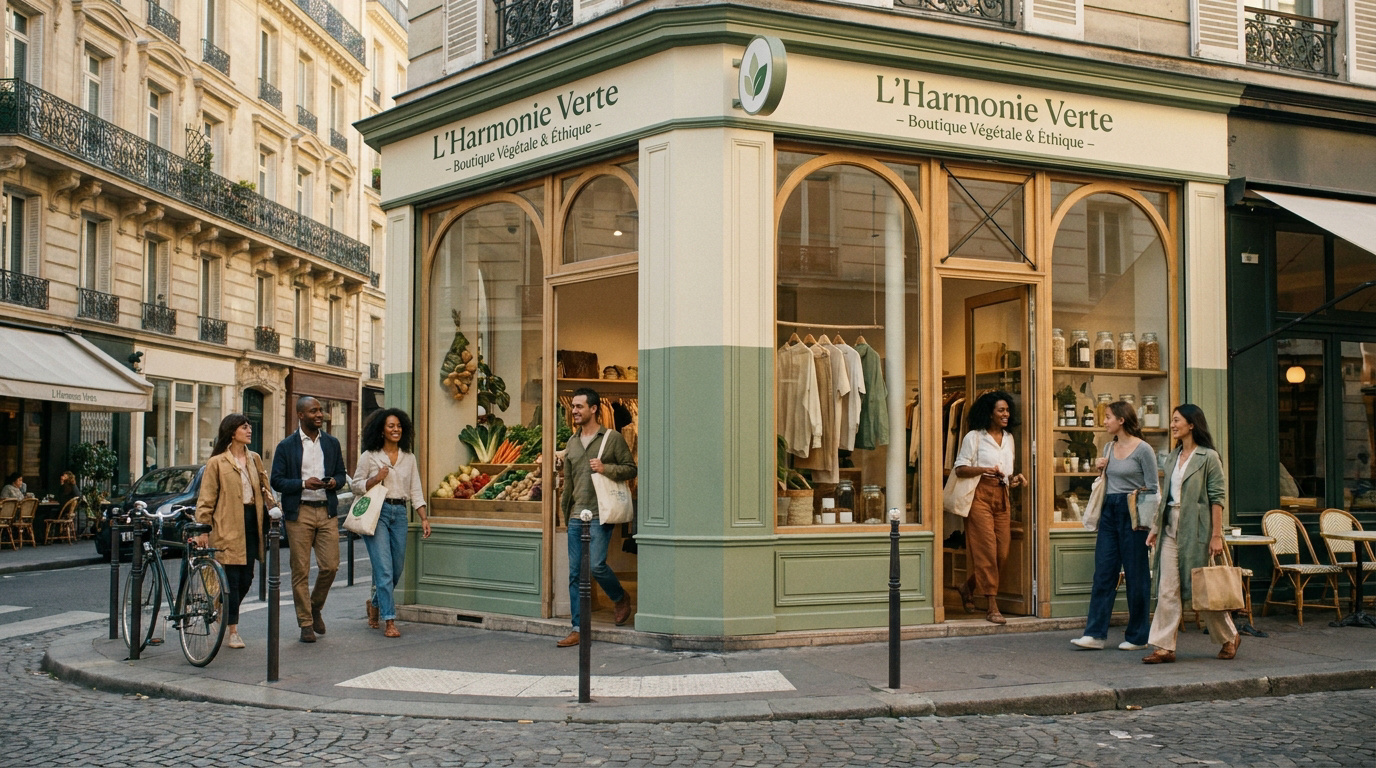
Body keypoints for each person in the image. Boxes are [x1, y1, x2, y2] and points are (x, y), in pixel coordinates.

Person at [1142, 404, 1241, 664]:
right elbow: (1165, 497)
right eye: (1172, 420)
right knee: (1167, 589)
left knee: (1203, 588)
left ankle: (1229, 637)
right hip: (1170, 527)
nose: (1172, 425)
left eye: (1177, 420)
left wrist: (1216, 535)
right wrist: (1155, 528)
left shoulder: (1209, 457)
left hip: (1197, 529)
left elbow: (1217, 498)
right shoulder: (1172, 457)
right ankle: (1164, 647)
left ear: (1192, 424)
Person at [1071, 401, 1158, 651]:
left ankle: (1138, 637)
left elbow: (1153, 488)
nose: (1105, 421)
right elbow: (1105, 483)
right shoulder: (1109, 447)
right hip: (1110, 510)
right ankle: (1095, 634)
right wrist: (1101, 469)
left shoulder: (1143, 450)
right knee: (1103, 572)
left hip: (1134, 512)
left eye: (1108, 417)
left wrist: (1150, 525)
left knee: (1136, 575)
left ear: (1122, 420)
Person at [557, 387, 636, 647]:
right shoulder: (572, 442)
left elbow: (630, 469)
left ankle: (620, 597)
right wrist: (566, 513)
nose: (574, 410)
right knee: (575, 573)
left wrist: (605, 468)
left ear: (593, 409)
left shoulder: (611, 438)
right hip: (576, 514)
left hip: (600, 513)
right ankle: (578, 628)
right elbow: (569, 483)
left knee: (595, 566)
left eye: (579, 406)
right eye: (573, 406)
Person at [191, 414, 278, 650]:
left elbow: (265, 489)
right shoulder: (217, 462)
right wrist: (203, 529)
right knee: (232, 580)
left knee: (247, 578)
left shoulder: (255, 458)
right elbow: (206, 499)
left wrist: (273, 508)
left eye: (249, 426)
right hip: (226, 525)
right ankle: (233, 631)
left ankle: (220, 606)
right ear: (232, 432)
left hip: (251, 523)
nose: (249, 430)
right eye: (244, 427)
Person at [271, 396, 348, 643]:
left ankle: (315, 607)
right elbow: (276, 480)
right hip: (300, 511)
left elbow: (341, 474)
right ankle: (305, 623)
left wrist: (334, 481)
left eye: (320, 410)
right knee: (300, 571)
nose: (319, 415)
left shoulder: (332, 443)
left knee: (330, 566)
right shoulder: (286, 446)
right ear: (301, 415)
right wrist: (304, 483)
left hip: (326, 511)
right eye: (314, 411)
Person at [352, 408, 431, 638]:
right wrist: (376, 478)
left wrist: (424, 518)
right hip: (378, 512)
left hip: (400, 513)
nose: (396, 429)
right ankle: (389, 620)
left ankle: (375, 602)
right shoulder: (370, 455)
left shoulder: (409, 457)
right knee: (384, 569)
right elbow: (355, 485)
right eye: (391, 426)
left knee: (396, 569)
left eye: (398, 426)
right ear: (381, 430)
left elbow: (415, 490)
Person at [951, 390, 1026, 625]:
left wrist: (1014, 479)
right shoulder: (974, 437)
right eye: (1001, 410)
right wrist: (983, 470)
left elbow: (1006, 472)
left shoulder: (1009, 438)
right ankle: (992, 606)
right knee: (986, 552)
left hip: (1002, 496)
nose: (1006, 414)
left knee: (1002, 553)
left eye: (1007, 410)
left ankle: (968, 586)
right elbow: (960, 469)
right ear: (989, 413)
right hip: (979, 495)